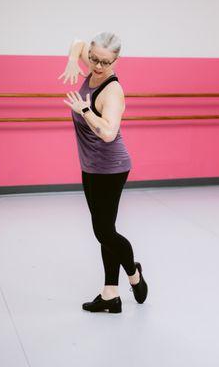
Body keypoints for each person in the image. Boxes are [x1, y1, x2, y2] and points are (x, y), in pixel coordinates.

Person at [59, 32, 147, 313]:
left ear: (116, 61)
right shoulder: (92, 58)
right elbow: (77, 41)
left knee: (104, 231)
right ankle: (110, 294)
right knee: (104, 230)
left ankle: (134, 274)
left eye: (104, 63)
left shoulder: (113, 90)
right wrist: (74, 58)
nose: (96, 66)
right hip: (90, 166)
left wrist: (86, 110)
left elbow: (109, 132)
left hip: (111, 168)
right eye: (93, 59)